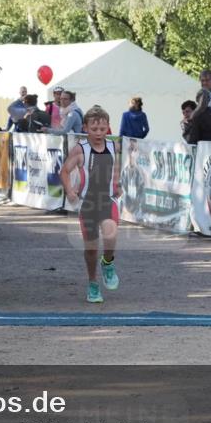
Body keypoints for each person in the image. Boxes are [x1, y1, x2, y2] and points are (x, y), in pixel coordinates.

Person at [60, 105, 121, 304]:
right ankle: (93, 283)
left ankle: (108, 263)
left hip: (107, 200)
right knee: (91, 249)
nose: (98, 133)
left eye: (103, 129)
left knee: (111, 233)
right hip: (87, 204)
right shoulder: (81, 149)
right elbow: (65, 172)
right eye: (94, 129)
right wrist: (70, 190)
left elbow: (117, 166)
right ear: (85, 127)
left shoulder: (114, 146)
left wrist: (117, 183)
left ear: (108, 128)